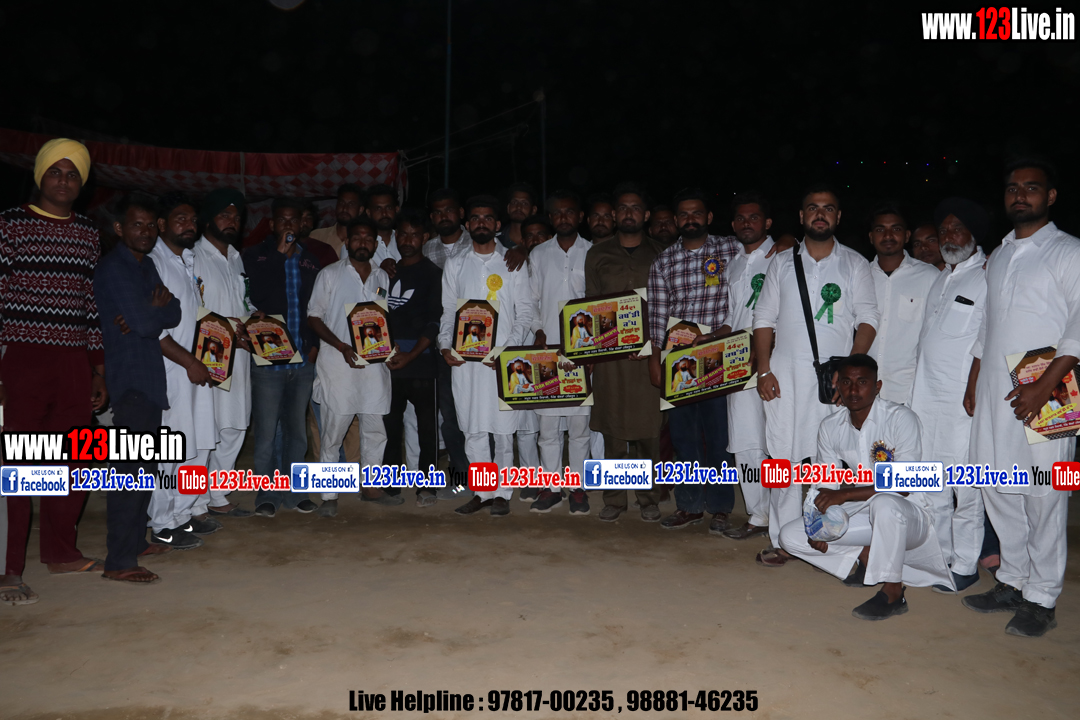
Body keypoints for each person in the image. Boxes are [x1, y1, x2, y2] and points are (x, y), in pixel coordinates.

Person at [963, 158, 1079, 637]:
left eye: (1031, 188)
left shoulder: (1069, 251)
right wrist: (974, 380)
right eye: (1012, 188)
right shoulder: (1000, 254)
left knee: (1045, 492)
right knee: (996, 483)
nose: (1020, 195)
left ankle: (1042, 597)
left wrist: (1043, 386)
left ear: (1050, 196)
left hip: (1051, 389)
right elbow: (987, 325)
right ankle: (1012, 578)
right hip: (998, 390)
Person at [0, 138, 108, 606]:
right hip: (21, 358)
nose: (63, 181)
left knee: (72, 461)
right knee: (16, 464)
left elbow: (90, 305)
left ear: (82, 183)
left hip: (72, 362)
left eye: (72, 174)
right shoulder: (9, 224)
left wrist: (97, 367)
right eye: (55, 172)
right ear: (40, 176)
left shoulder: (87, 233)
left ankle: (62, 553)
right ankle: (8, 569)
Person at [752, 185, 878, 566]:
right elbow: (763, 318)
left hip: (832, 383)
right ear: (802, 216)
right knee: (783, 457)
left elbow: (868, 319)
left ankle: (825, 537)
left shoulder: (855, 264)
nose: (820, 214)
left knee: (828, 462)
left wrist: (849, 374)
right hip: (785, 378)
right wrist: (763, 369)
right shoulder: (782, 263)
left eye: (828, 208)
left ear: (838, 217)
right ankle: (783, 539)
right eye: (812, 208)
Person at [778, 355, 953, 620]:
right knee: (790, 536)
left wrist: (845, 493)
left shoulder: (900, 418)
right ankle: (863, 555)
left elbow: (904, 484)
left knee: (885, 504)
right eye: (846, 382)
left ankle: (893, 592)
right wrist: (819, 526)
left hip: (909, 517)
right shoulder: (830, 427)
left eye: (862, 382)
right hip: (863, 513)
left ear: (877, 386)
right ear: (838, 386)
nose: (853, 390)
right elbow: (825, 485)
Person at [94, 192, 181, 584]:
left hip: (147, 379)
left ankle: (134, 542)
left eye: (150, 225)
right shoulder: (114, 267)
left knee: (143, 469)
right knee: (129, 473)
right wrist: (151, 310)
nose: (146, 232)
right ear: (119, 228)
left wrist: (150, 311)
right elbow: (148, 323)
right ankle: (119, 560)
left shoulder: (145, 265)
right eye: (137, 225)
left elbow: (174, 312)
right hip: (129, 379)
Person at [910, 197, 990, 595]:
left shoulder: (987, 276)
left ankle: (966, 563)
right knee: (932, 481)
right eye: (943, 230)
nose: (948, 236)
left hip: (962, 402)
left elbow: (985, 340)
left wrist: (973, 386)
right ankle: (940, 556)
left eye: (957, 228)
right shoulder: (942, 278)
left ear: (974, 234)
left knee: (965, 484)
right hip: (927, 397)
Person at [647, 188, 739, 532]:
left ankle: (720, 506)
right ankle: (689, 505)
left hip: (720, 358)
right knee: (684, 438)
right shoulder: (663, 261)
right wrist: (655, 359)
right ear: (675, 220)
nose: (690, 219)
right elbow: (657, 315)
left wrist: (787, 239)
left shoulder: (731, 249)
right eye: (683, 214)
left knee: (719, 438)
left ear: (709, 217)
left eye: (696, 213)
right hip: (679, 362)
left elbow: (768, 250)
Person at [439, 195, 535, 517]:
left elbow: (524, 313)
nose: (482, 223)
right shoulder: (456, 264)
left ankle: (503, 494)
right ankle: (483, 492)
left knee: (504, 429)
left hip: (502, 361)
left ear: (497, 224)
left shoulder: (512, 261)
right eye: (476, 218)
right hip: (465, 361)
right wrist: (445, 345)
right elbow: (448, 312)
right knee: (473, 429)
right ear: (468, 225)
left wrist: (507, 349)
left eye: (488, 218)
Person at [147, 192, 221, 548]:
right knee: (170, 450)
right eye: (181, 219)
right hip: (172, 371)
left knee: (199, 445)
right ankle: (162, 523)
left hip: (198, 368)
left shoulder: (188, 260)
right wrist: (190, 362)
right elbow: (154, 328)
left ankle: (183, 513)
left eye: (193, 220)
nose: (189, 225)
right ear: (161, 224)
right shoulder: (154, 262)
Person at [586, 183, 664, 522]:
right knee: (614, 429)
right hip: (611, 359)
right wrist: (591, 353)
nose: (628, 213)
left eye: (635, 208)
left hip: (650, 357)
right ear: (615, 215)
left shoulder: (662, 252)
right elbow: (590, 305)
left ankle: (649, 499)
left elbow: (668, 305)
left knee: (649, 431)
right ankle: (615, 499)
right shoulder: (597, 254)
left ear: (645, 215)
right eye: (623, 208)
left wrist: (652, 345)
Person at [307, 215, 394, 517]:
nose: (362, 243)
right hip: (338, 365)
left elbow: (381, 319)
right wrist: (342, 346)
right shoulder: (330, 274)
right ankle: (328, 496)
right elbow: (313, 317)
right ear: (347, 241)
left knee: (375, 429)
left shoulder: (382, 277)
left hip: (374, 367)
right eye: (357, 237)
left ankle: (371, 488)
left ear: (376, 243)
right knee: (333, 431)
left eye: (368, 238)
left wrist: (388, 348)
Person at [244, 197, 322, 517]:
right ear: (272, 224)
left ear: (302, 223)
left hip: (303, 359)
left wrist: (314, 344)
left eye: (294, 220)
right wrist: (278, 254)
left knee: (296, 432)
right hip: (268, 359)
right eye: (282, 220)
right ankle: (267, 494)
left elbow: (316, 307)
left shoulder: (310, 260)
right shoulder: (254, 256)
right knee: (266, 432)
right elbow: (256, 296)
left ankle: (296, 493)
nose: (288, 225)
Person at [527, 194, 592, 514]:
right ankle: (552, 487)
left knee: (580, 428)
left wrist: (593, 351)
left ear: (580, 216)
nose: (563, 217)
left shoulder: (592, 251)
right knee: (547, 428)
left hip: (583, 352)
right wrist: (539, 330)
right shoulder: (539, 254)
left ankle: (577, 488)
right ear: (550, 218)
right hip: (547, 351)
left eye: (569, 212)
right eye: (557, 213)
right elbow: (531, 300)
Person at [193, 188, 255, 518]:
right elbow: (192, 309)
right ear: (208, 219)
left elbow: (243, 302)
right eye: (224, 215)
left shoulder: (235, 257)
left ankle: (217, 495)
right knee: (207, 428)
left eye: (236, 217)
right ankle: (195, 502)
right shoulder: (193, 256)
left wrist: (256, 319)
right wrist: (229, 327)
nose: (232, 221)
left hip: (239, 355)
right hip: (207, 354)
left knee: (235, 425)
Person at [721, 193, 776, 541]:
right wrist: (713, 338)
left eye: (754, 217)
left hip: (775, 358)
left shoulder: (784, 256)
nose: (746, 223)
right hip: (738, 360)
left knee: (778, 440)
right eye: (740, 218)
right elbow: (733, 314)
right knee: (745, 439)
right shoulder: (733, 264)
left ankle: (784, 512)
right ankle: (759, 514)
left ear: (767, 223)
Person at [383, 208, 445, 507]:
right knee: (389, 427)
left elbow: (435, 322)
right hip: (388, 361)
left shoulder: (433, 274)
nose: (408, 240)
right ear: (396, 236)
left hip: (421, 362)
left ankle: (427, 486)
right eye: (403, 234)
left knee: (427, 429)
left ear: (425, 237)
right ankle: (390, 484)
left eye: (414, 235)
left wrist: (410, 355)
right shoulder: (386, 272)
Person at [866, 203, 942, 405]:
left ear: (907, 236)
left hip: (909, 391)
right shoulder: (860, 275)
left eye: (896, 229)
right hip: (864, 391)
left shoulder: (930, 276)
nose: (888, 235)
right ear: (871, 237)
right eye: (880, 229)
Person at [309, 182, 364, 260]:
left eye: (351, 204)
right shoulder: (316, 236)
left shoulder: (364, 242)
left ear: (360, 210)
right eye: (341, 203)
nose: (345, 208)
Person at [497, 182, 539, 250]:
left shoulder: (539, 242)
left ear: (533, 210)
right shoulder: (495, 241)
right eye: (514, 202)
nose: (518, 207)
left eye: (524, 203)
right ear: (508, 208)